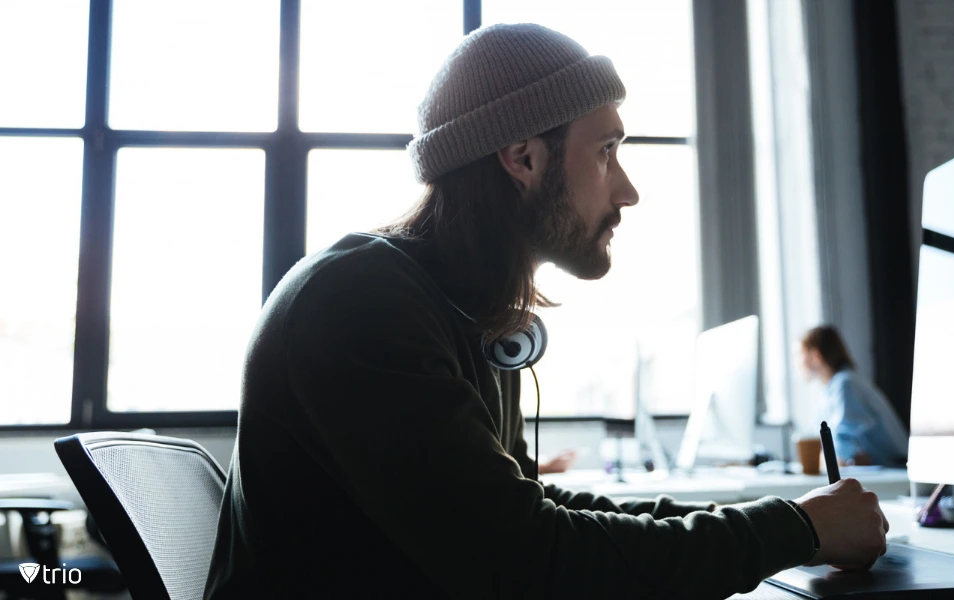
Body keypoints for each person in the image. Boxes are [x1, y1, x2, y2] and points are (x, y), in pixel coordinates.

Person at [205, 24, 887, 599]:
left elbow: (533, 509)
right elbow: (527, 560)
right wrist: (795, 529)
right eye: (607, 151)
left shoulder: (460, 310)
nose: (628, 191)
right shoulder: (361, 307)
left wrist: (786, 518)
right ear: (524, 157)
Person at [799, 325, 909, 467]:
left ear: (815, 357)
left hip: (893, 470)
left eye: (799, 355)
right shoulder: (828, 392)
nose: (797, 363)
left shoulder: (846, 384)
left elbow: (841, 451)